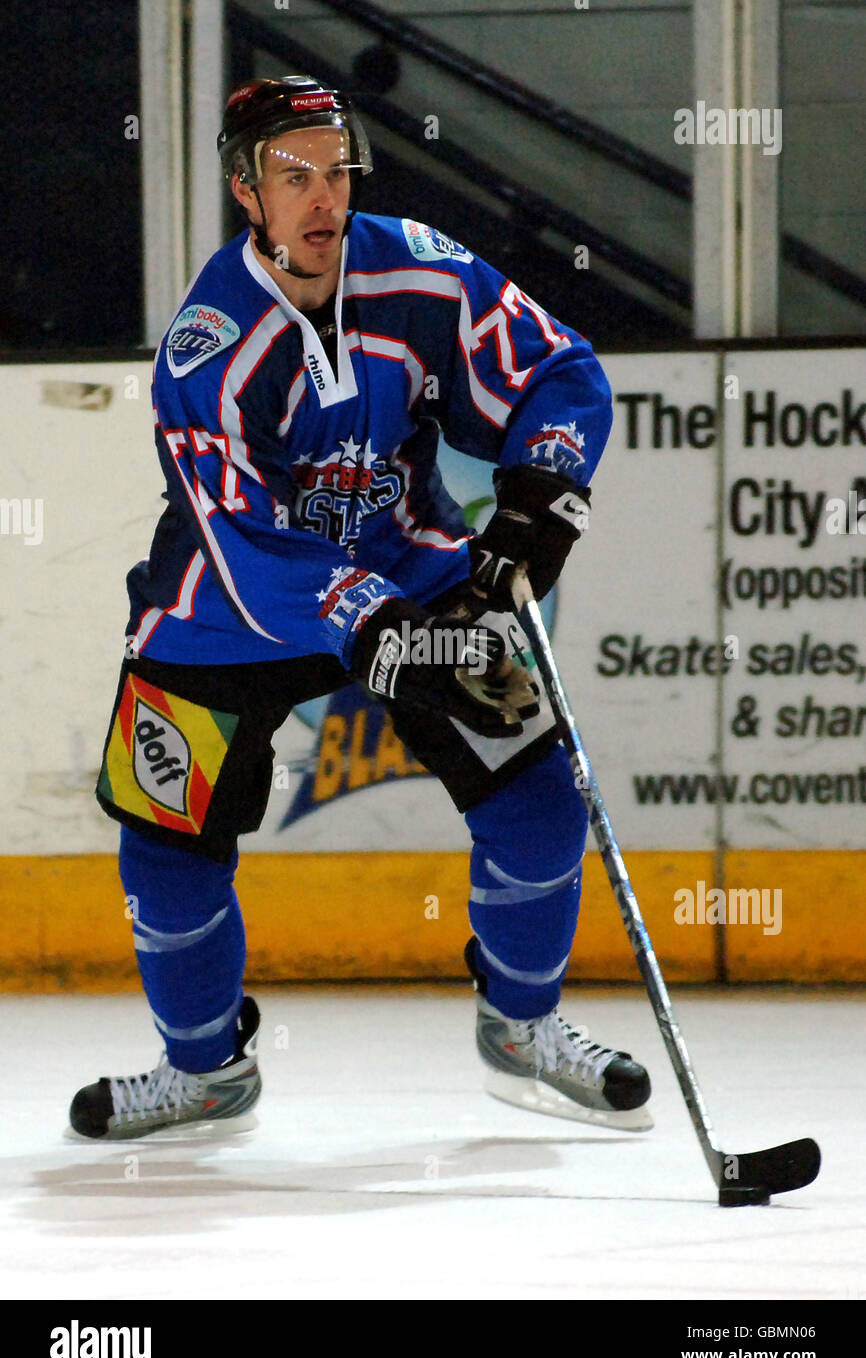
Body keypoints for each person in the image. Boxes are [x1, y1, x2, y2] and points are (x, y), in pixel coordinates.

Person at [69, 75, 651, 1141]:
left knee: (537, 794)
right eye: (294, 174)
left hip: (410, 564)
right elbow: (238, 539)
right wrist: (364, 622)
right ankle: (203, 1070)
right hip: (226, 605)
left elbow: (558, 371)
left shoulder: (419, 269)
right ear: (248, 192)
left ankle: (521, 1027)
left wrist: (540, 487)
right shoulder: (206, 346)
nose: (322, 193)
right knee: (165, 842)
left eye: (335, 167)